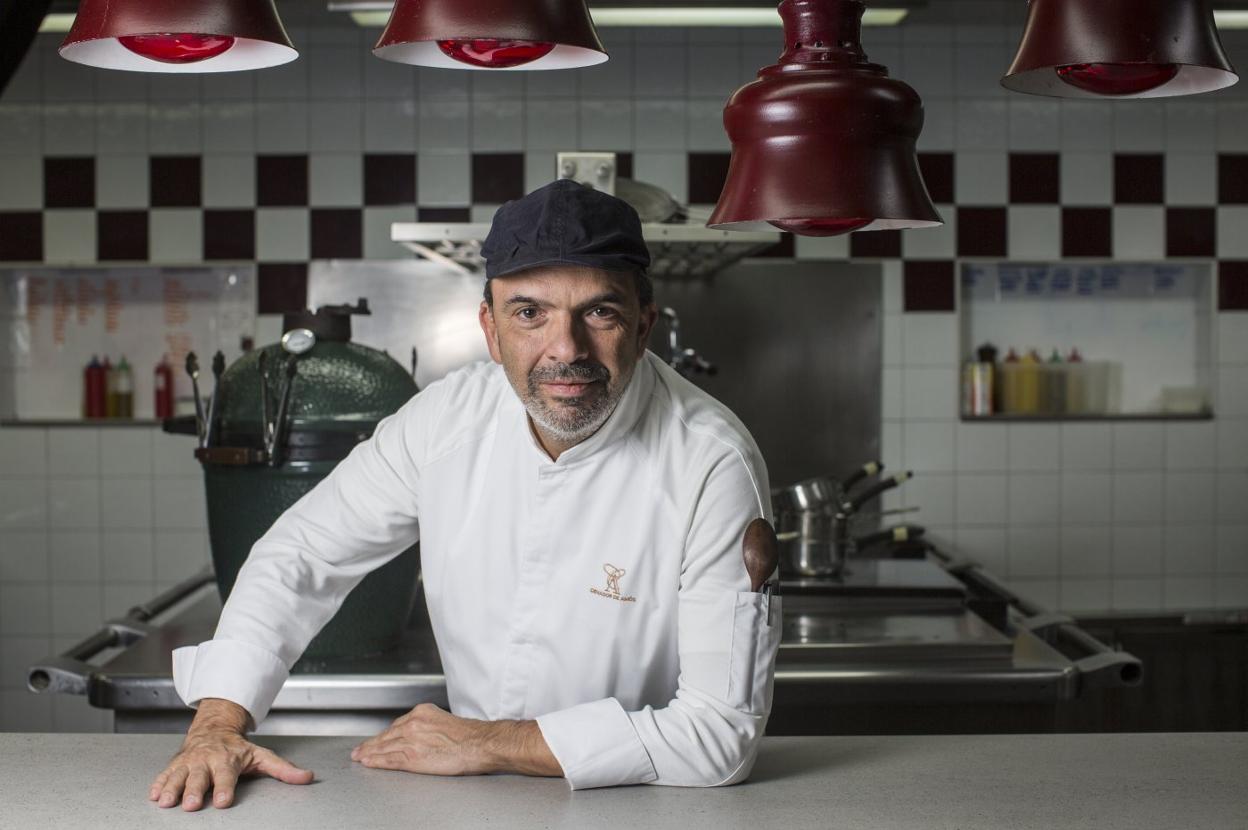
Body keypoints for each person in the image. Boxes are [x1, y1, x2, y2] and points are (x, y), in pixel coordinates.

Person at [149, 179, 782, 811]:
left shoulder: (710, 461)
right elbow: (303, 553)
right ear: (490, 327)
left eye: (600, 312)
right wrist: (218, 724)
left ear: (643, 326)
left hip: (644, 804)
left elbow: (717, 736)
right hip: (470, 803)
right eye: (530, 313)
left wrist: (490, 743)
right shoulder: (447, 419)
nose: (566, 349)